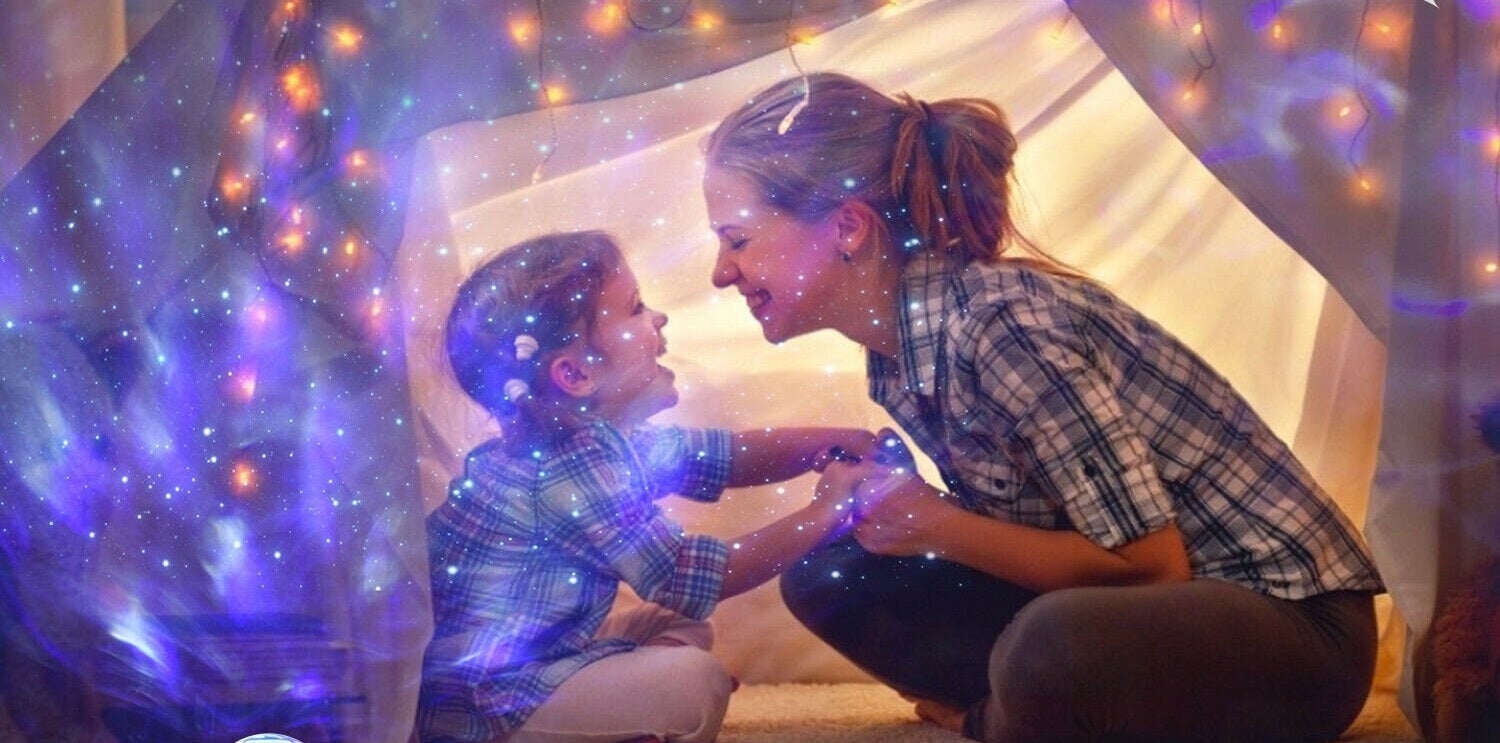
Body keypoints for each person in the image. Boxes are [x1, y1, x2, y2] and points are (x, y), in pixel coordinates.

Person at [701, 72, 1386, 743]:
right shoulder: (899, 349)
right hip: (1138, 620)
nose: (721, 272)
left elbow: (1152, 567)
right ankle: (1043, 708)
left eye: (737, 238)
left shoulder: (1003, 326)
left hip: (1292, 635)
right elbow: (1043, 525)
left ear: (848, 227)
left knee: (1048, 649)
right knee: (831, 574)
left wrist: (933, 522)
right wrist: (900, 510)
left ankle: (995, 717)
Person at [418, 230, 875, 743]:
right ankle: (631, 713)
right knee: (694, 683)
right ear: (574, 375)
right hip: (493, 703)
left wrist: (830, 441)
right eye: (635, 309)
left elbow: (722, 456)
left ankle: (623, 715)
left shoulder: (596, 442)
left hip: (543, 653)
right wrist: (829, 510)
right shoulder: (567, 472)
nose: (657, 318)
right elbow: (698, 575)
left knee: (676, 626)